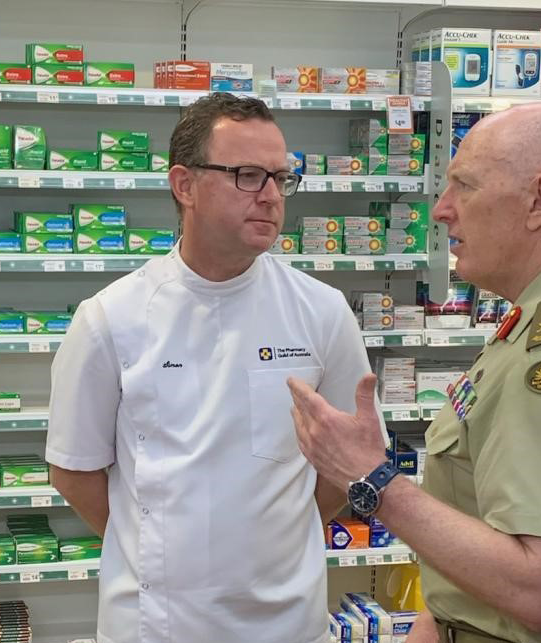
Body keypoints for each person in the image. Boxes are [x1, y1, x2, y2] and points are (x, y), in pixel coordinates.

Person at [288, 103, 541, 643]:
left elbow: (540, 589)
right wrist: (437, 620)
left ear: (539, 200)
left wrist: (373, 479)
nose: (442, 211)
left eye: (464, 186)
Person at [46, 93, 378, 643]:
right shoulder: (111, 318)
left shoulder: (321, 311)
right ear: (185, 186)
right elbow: (74, 472)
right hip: (154, 624)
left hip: (288, 622)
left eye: (281, 177)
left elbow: (346, 466)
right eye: (248, 175)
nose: (271, 196)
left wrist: (271, 547)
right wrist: (158, 554)